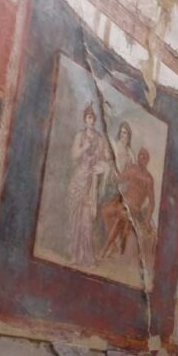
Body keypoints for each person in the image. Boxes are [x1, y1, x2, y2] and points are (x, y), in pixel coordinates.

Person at [67, 103, 110, 266]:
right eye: (88, 118)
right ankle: (74, 255)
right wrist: (84, 147)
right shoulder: (80, 136)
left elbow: (106, 160)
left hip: (91, 182)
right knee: (75, 219)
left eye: (93, 118)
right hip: (79, 180)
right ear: (85, 120)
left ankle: (87, 257)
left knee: (87, 221)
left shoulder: (100, 140)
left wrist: (103, 169)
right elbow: (73, 157)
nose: (91, 121)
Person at [99, 148, 157, 260]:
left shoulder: (148, 179)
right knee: (105, 210)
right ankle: (115, 246)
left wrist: (147, 220)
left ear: (147, 160)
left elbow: (152, 202)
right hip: (122, 201)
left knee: (121, 216)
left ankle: (105, 248)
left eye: (145, 157)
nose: (142, 158)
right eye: (140, 155)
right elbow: (119, 179)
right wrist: (112, 165)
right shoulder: (132, 169)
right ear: (138, 157)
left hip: (134, 208)